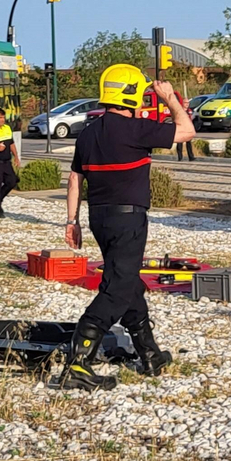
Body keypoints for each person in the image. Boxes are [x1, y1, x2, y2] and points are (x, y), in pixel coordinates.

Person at [55, 66, 194, 391]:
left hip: (98, 218)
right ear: (132, 94)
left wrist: (71, 221)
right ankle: (78, 362)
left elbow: (75, 178)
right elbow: (187, 131)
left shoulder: (89, 132)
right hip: (128, 219)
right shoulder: (136, 129)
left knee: (127, 281)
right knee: (117, 289)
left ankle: (150, 354)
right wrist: (170, 98)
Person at [173, 92, 197, 162]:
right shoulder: (180, 110)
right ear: (182, 103)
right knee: (180, 143)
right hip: (181, 128)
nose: (187, 104)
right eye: (185, 103)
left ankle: (191, 157)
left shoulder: (189, 111)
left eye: (188, 103)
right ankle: (180, 157)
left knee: (188, 143)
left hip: (187, 129)